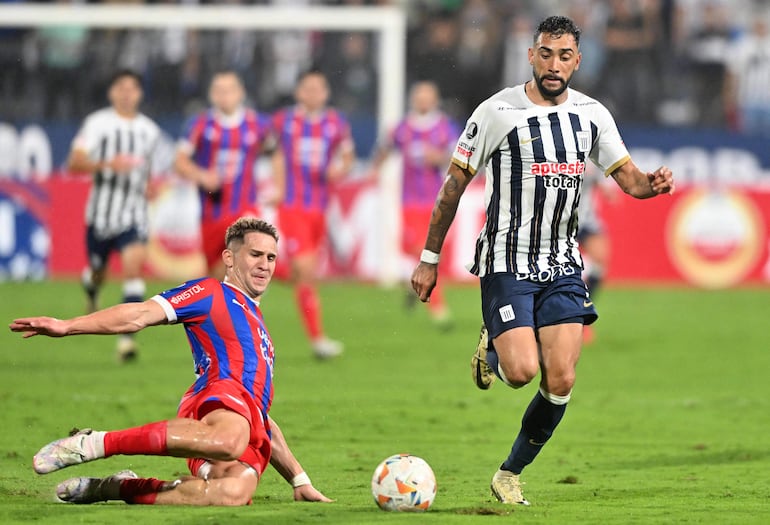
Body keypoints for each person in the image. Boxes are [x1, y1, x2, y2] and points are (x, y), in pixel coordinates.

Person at [411, 16, 675, 505]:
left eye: (565, 56)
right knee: (520, 373)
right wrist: (429, 259)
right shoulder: (496, 111)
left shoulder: (593, 114)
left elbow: (630, 179)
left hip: (561, 264)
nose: (555, 65)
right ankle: (496, 339)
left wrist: (651, 187)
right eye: (546, 54)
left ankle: (510, 472)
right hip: (507, 261)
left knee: (563, 378)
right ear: (532, 55)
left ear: (578, 59)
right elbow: (452, 189)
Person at [9, 217, 331, 506]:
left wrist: (299, 480)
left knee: (233, 493)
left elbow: (261, 418)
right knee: (230, 440)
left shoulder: (262, 334)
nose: (265, 264)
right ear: (229, 259)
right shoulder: (210, 292)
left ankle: (115, 488)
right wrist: (67, 326)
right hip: (215, 404)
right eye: (255, 255)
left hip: (245, 424)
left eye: (271, 257)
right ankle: (94, 443)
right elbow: (138, 314)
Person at [68, 69, 161, 362]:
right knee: (98, 272)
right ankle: (92, 286)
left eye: (132, 88)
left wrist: (148, 189)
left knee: (134, 269)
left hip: (134, 214)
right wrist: (109, 164)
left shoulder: (150, 130)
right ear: (112, 93)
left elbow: (147, 170)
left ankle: (126, 341)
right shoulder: (98, 124)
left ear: (140, 94)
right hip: (101, 214)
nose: (126, 93)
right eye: (121, 87)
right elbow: (75, 163)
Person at [272, 69, 355, 359]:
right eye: (307, 88)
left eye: (318, 88)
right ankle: (318, 340)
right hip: (293, 206)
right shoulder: (283, 121)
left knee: (299, 272)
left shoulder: (335, 123)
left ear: (325, 93)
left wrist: (340, 168)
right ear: (298, 92)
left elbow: (347, 154)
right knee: (307, 271)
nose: (312, 94)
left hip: (320, 208)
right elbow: (273, 153)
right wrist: (278, 186)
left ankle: (260, 273)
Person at [174, 70, 283, 278]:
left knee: (243, 259)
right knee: (216, 274)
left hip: (244, 207)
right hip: (211, 211)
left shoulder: (257, 124)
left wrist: (279, 188)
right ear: (212, 95)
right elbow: (179, 161)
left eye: (230, 90)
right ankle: (221, 305)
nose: (225, 96)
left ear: (240, 92)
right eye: (219, 91)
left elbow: (276, 154)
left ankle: (248, 296)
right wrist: (202, 175)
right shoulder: (200, 125)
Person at [370, 81, 458, 328]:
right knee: (420, 249)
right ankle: (438, 309)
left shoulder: (444, 127)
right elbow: (385, 149)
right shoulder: (403, 128)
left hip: (437, 200)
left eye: (427, 97)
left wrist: (439, 158)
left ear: (435, 100)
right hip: (409, 201)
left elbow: (458, 158)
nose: (422, 101)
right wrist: (374, 170)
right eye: (419, 96)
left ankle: (417, 289)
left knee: (430, 251)